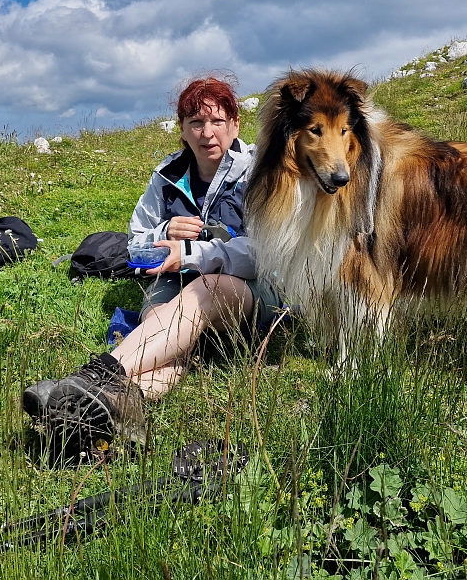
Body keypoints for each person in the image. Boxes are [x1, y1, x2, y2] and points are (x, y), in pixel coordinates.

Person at [22, 74, 283, 453]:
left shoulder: (262, 172)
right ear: (182, 128)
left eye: (217, 121)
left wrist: (193, 254)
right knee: (166, 339)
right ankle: (101, 410)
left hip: (247, 291)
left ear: (235, 124)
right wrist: (165, 228)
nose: (206, 133)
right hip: (176, 286)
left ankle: (90, 378)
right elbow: (135, 243)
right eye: (196, 122)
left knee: (205, 289)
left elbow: (265, 251)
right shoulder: (167, 176)